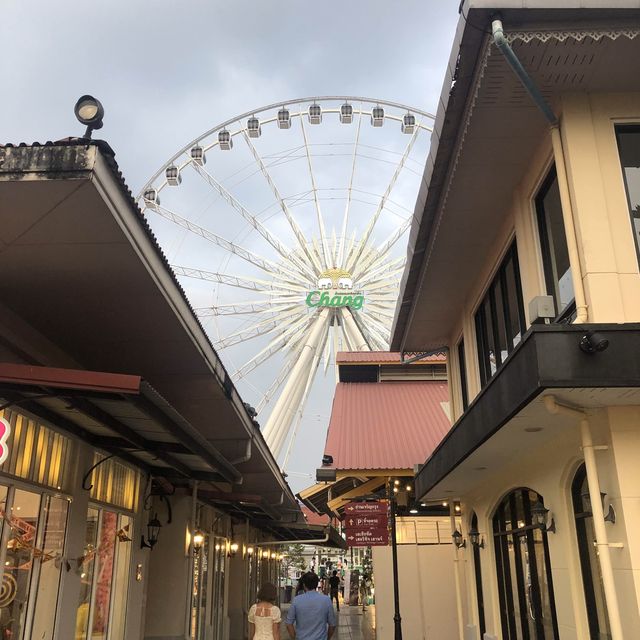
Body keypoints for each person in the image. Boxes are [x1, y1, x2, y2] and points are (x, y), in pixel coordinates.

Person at [286, 572, 336, 640]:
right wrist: (327, 638)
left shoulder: (296, 600)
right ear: (316, 584)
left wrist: (294, 637)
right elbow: (332, 625)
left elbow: (289, 624)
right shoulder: (326, 600)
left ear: (304, 585)